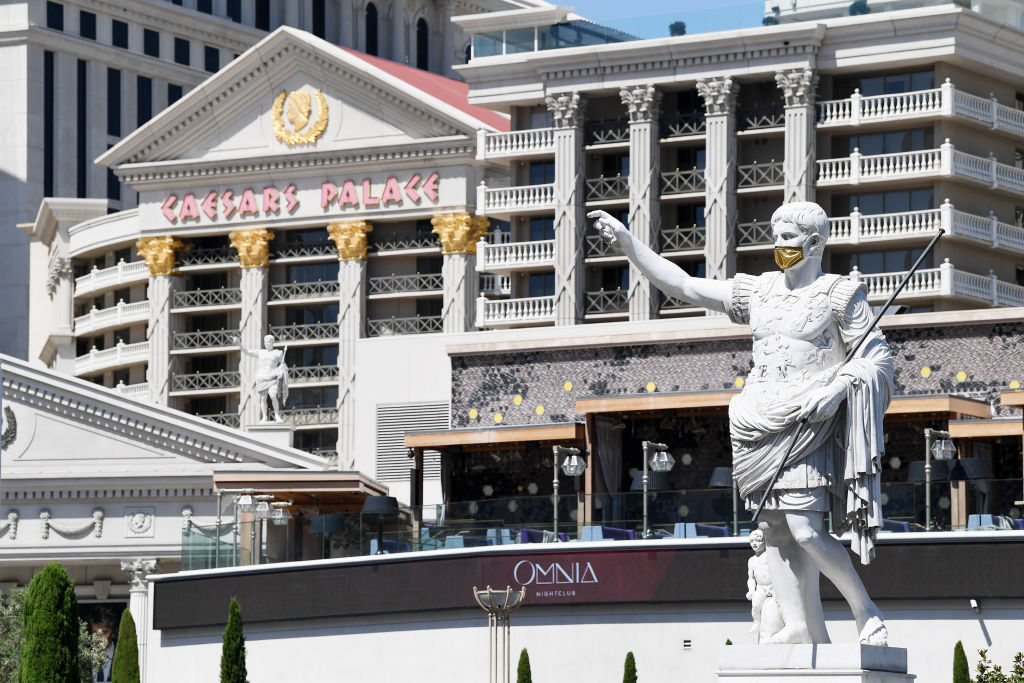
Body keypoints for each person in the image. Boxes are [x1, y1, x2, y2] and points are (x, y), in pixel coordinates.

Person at [590, 202, 893, 645]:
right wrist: (628, 245)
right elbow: (683, 285)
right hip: (755, 421)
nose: (779, 246)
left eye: (788, 238)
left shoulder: (839, 295)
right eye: (776, 236)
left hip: (805, 421)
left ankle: (865, 612)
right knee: (773, 529)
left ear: (814, 243)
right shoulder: (758, 291)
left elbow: (876, 358)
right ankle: (800, 627)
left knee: (806, 528)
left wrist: (836, 389)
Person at [235, 334, 289, 422]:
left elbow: (284, 365)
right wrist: (239, 343)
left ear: (272, 342)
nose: (267, 343)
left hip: (272, 377)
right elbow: (247, 351)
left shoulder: (277, 353)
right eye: (265, 342)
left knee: (273, 395)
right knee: (263, 398)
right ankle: (264, 416)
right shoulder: (260, 352)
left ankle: (277, 415)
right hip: (261, 378)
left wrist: (282, 370)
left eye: (269, 342)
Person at [746, 529, 783, 642]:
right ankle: (757, 622)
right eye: (752, 541)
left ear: (764, 541)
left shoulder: (771, 555)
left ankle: (787, 623)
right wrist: (751, 590)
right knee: (755, 606)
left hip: (774, 585)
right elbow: (751, 578)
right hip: (761, 588)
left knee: (782, 605)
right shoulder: (751, 560)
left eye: (758, 541)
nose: (754, 544)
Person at [89, 609, 117, 681]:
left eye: (104, 633)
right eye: (95, 633)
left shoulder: (123, 655)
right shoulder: (82, 658)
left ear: (113, 633)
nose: (99, 638)